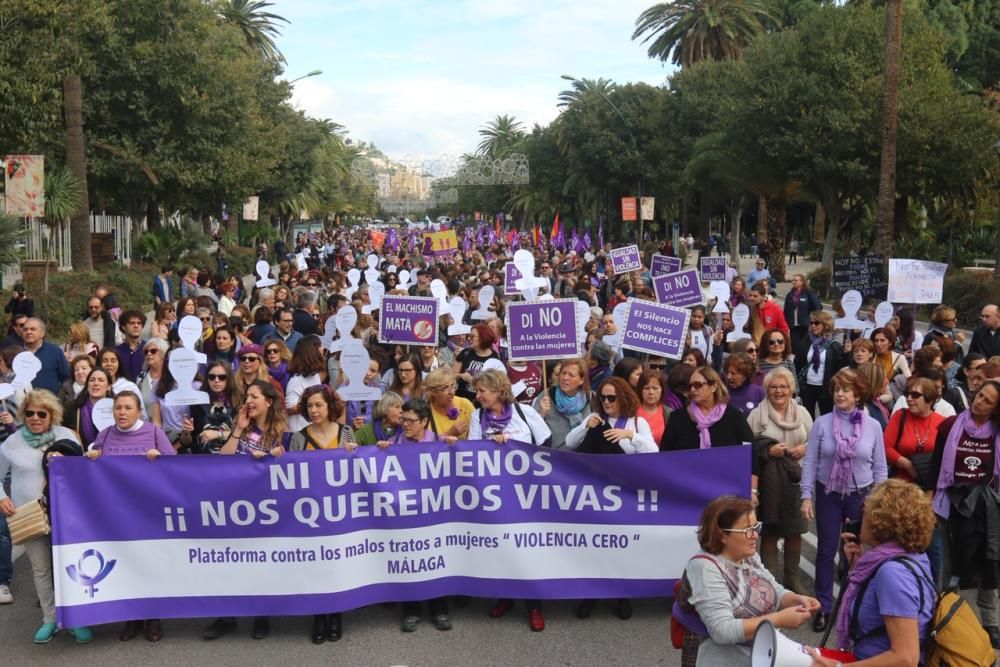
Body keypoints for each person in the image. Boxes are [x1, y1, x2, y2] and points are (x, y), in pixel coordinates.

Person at [675, 495, 819, 666]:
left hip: (758, 652)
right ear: (722, 535)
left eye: (756, 527)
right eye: (747, 530)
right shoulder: (705, 568)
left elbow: (774, 589)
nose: (755, 536)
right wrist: (779, 619)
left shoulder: (746, 555)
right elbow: (722, 631)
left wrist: (796, 599)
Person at [0, 390, 93, 644]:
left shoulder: (66, 436)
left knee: (68, 566)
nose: (35, 418)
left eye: (42, 413)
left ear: (52, 414)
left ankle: (75, 619)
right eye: (29, 413)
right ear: (23, 414)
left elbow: (84, 471)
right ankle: (49, 619)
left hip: (65, 514)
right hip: (28, 514)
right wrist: (2, 497)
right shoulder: (12, 442)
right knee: (40, 569)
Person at [809, 479, 936, 666]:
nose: (860, 518)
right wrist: (856, 564)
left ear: (881, 522)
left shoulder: (893, 573)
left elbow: (906, 658)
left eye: (864, 511)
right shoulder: (914, 557)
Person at [801, 368, 889, 632]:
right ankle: (824, 607)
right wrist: (806, 496)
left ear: (858, 394)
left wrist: (875, 501)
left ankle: (851, 608)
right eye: (837, 389)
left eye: (846, 390)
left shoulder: (872, 425)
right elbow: (811, 462)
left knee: (854, 555)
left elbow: (880, 469)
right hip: (828, 494)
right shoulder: (822, 423)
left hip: (860, 497)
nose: (840, 394)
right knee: (826, 551)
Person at [85, 391, 174, 641]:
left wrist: (159, 458)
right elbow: (94, 467)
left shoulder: (153, 432)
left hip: (148, 510)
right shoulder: (106, 435)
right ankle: (132, 618)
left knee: (149, 564)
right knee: (126, 564)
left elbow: (174, 464)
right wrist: (92, 457)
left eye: (127, 408)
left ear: (138, 411)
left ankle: (154, 618)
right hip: (117, 513)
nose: (121, 412)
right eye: (118, 408)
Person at [204, 380, 288, 641]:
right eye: (247, 396)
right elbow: (224, 458)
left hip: (266, 508)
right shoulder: (241, 425)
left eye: (255, 396)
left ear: (269, 401)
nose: (249, 401)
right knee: (231, 562)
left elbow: (293, 465)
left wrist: (279, 454)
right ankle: (227, 616)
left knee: (261, 562)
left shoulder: (283, 431)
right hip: (235, 505)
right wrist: (238, 429)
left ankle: (261, 615)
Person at [929, 379, 1000, 648]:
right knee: (950, 568)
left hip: (985, 508)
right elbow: (936, 464)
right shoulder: (950, 426)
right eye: (980, 395)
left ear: (996, 409)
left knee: (989, 563)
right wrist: (930, 497)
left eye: (987, 401)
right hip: (950, 503)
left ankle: (990, 623)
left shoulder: (997, 431)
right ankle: (948, 622)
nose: (979, 401)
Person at [287, 384, 353, 644]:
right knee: (315, 566)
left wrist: (355, 454)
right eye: (310, 406)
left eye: (319, 405)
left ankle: (335, 613)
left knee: (336, 564)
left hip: (340, 512)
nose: (314, 410)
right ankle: (318, 615)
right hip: (310, 515)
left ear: (330, 407)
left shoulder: (347, 434)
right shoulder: (299, 437)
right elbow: (291, 476)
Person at [747, 367, 813, 593]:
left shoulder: (802, 412)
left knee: (795, 531)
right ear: (767, 389)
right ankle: (770, 582)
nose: (779, 391)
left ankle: (792, 578)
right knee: (770, 532)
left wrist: (804, 448)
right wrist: (768, 452)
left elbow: (815, 441)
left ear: (791, 389)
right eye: (774, 387)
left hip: (797, 478)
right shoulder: (756, 415)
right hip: (769, 481)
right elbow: (748, 449)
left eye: (783, 386)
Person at [662, 366, 755, 456]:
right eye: (690, 385)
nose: (693, 389)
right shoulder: (677, 417)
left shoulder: (734, 416)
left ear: (714, 387)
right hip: (686, 471)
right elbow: (665, 453)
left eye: (698, 385)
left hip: (724, 471)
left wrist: (752, 470)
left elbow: (749, 445)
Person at [182, 361, 241, 454]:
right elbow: (187, 443)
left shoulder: (239, 402)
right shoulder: (197, 403)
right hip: (203, 460)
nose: (216, 380)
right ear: (207, 379)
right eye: (212, 377)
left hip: (232, 459)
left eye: (222, 377)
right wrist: (186, 433)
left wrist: (218, 434)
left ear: (229, 379)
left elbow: (246, 437)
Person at [795, 311, 846, 417]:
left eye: (817, 323)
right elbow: (798, 363)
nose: (813, 325)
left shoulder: (834, 345)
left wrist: (848, 353)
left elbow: (840, 367)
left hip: (825, 387)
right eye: (811, 323)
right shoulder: (806, 341)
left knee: (826, 416)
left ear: (826, 325)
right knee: (807, 416)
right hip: (807, 386)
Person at [533, 358, 592, 450]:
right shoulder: (546, 396)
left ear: (581, 380)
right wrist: (542, 414)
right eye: (563, 373)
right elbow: (533, 430)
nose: (565, 378)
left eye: (571, 375)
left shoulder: (591, 398)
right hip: (555, 457)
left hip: (582, 456)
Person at [284, 335, 328, 433]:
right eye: (319, 346)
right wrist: (312, 404)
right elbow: (289, 408)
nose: (323, 348)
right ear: (312, 351)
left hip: (313, 430)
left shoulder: (315, 375)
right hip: (299, 433)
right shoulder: (296, 381)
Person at [63, 368, 114, 450]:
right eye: (92, 380)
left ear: (109, 387)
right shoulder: (72, 408)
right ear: (87, 385)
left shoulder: (117, 409)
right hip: (80, 458)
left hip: (109, 457)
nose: (96, 383)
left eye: (101, 380)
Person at [452, 323, 499, 402]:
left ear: (482, 337)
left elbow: (495, 382)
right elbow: (451, 375)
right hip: (462, 400)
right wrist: (461, 375)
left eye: (472, 336)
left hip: (483, 402)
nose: (469, 339)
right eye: (469, 336)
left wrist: (474, 380)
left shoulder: (494, 357)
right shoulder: (465, 353)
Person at [423, 368, 473, 440]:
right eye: (445, 388)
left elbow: (479, 435)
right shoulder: (424, 412)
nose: (452, 392)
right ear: (432, 392)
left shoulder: (465, 404)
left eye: (453, 386)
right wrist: (449, 433)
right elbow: (423, 447)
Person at [22, 318, 69, 394]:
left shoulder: (54, 351)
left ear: (42, 333)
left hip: (50, 402)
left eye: (33, 329)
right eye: (25, 329)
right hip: (21, 402)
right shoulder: (15, 352)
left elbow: (66, 377)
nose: (28, 332)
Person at [783, 274, 822, 353]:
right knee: (795, 346)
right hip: (793, 326)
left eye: (796, 280)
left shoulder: (809, 293)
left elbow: (818, 307)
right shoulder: (789, 295)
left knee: (805, 345)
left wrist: (813, 322)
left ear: (802, 282)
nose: (793, 282)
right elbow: (786, 311)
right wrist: (785, 324)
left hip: (806, 325)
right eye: (793, 280)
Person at [723, 353, 765, 417]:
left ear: (744, 375)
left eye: (733, 373)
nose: (728, 377)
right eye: (727, 372)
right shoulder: (722, 393)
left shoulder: (759, 392)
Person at [758, 328, 798, 395]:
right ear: (765, 344)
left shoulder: (789, 363)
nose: (776, 344)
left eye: (780, 341)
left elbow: (795, 389)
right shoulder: (758, 364)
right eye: (771, 342)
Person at [636, 370, 670, 446]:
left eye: (655, 388)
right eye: (646, 388)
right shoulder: (630, 412)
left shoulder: (669, 413)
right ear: (640, 390)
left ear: (662, 391)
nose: (651, 392)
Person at [115, 310, 146, 382]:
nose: (136, 326)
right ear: (123, 327)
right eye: (132, 323)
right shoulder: (116, 352)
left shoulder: (150, 349)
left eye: (139, 323)